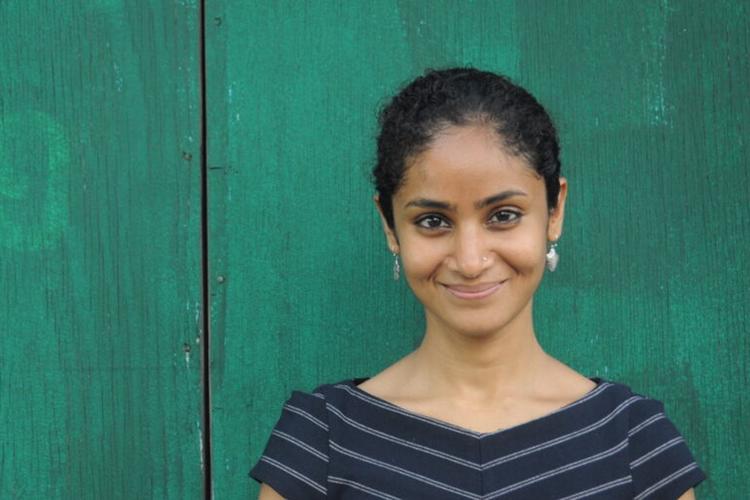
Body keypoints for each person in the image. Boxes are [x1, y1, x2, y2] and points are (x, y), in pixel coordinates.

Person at [251, 68, 705, 499]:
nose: (470, 260)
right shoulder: (321, 441)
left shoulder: (634, 443)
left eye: (503, 216)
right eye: (433, 221)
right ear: (390, 226)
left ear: (554, 211)